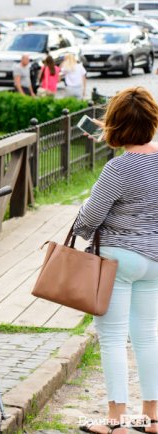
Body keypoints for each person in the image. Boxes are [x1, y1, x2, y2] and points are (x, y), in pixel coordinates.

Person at [74, 86, 158, 434]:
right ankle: (153, 418)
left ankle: (115, 422)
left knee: (111, 340)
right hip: (154, 261)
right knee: (148, 337)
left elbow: (89, 220)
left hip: (118, 262)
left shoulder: (118, 170)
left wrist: (80, 220)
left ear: (116, 126)